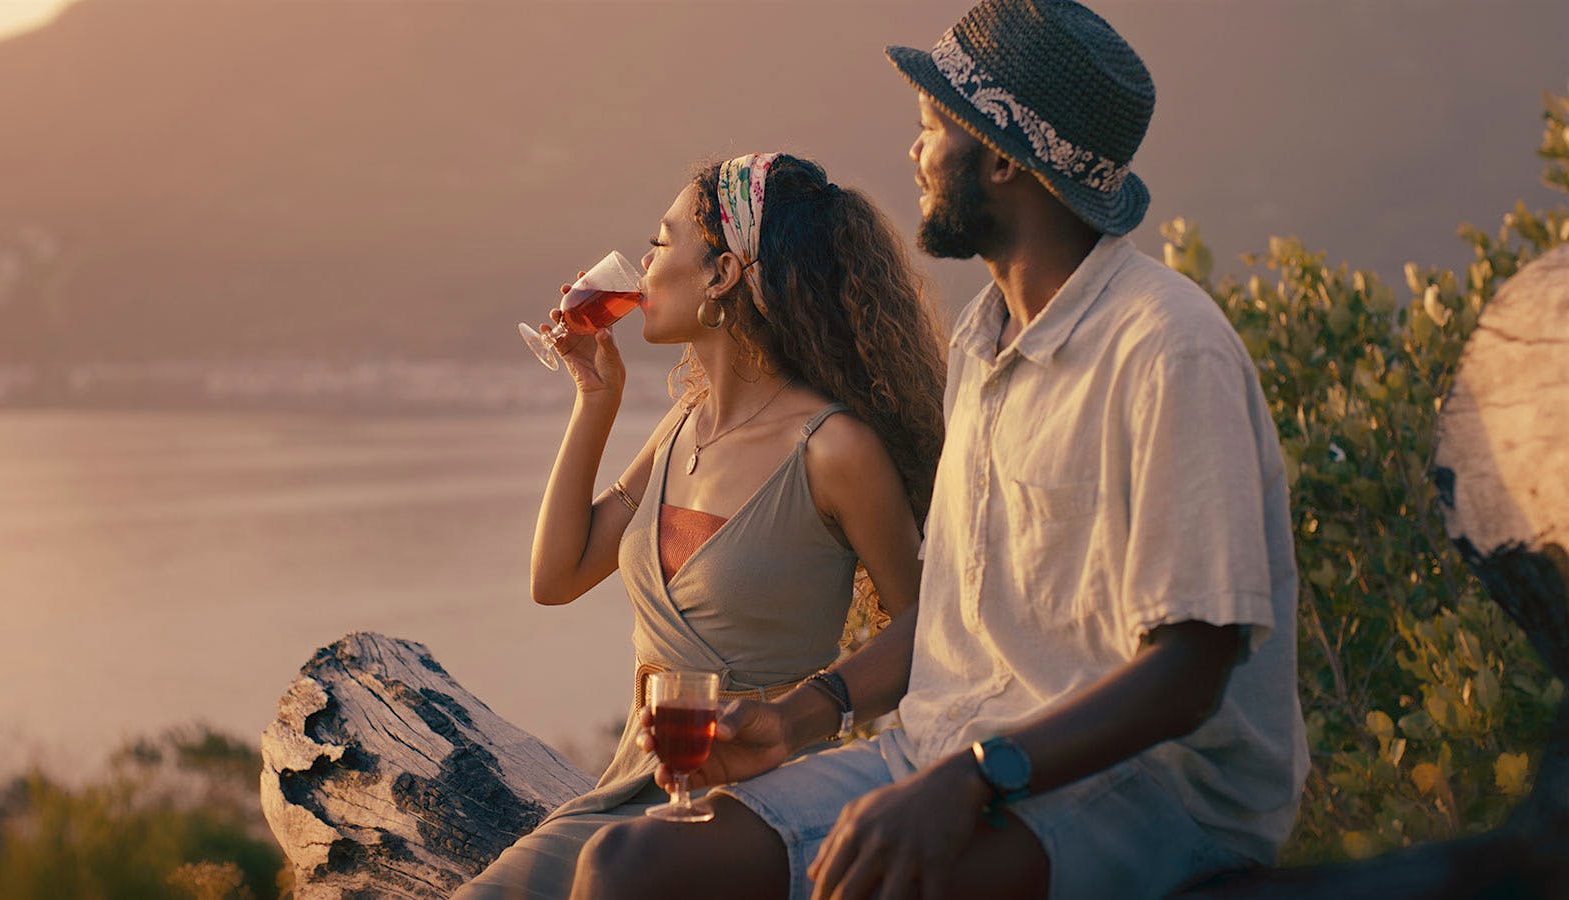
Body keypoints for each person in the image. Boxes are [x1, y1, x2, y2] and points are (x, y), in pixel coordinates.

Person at [569, 2, 1309, 898]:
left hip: (1145, 789)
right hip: (945, 747)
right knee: (630, 865)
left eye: (931, 131)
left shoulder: (1164, 346)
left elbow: (1191, 668)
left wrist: (971, 778)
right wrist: (802, 715)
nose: (913, 155)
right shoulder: (984, 345)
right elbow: (951, 618)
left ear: (1000, 158)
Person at [450, 152, 947, 899]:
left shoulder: (836, 449)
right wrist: (594, 404)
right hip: (632, 786)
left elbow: (931, 631)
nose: (642, 265)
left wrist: (812, 713)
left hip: (757, 799)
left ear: (721, 275)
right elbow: (556, 577)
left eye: (659, 241)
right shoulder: (684, 424)